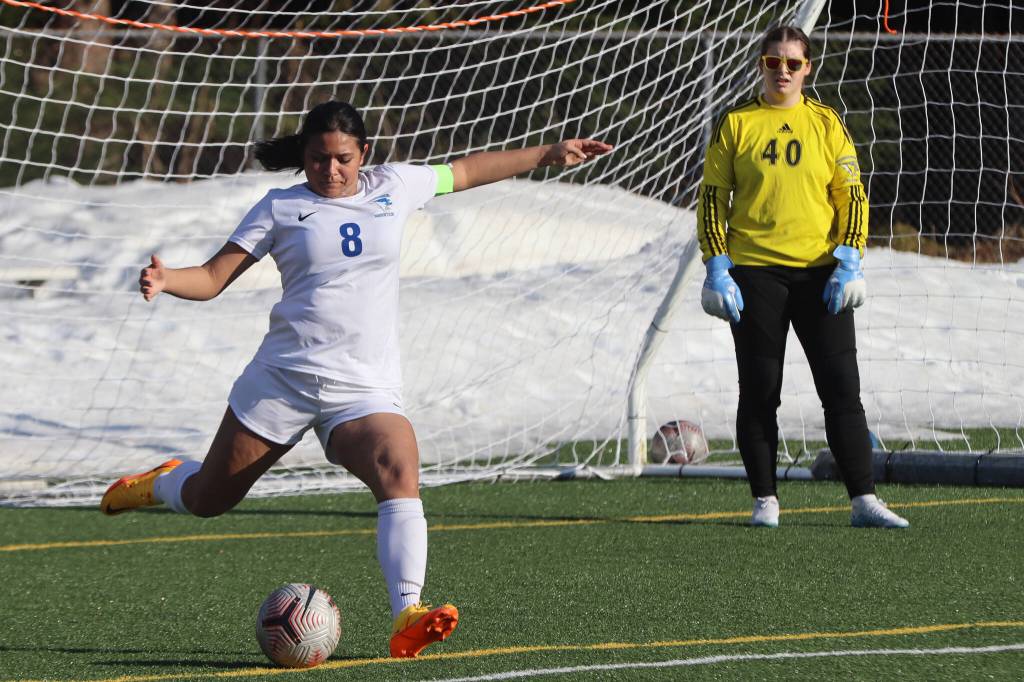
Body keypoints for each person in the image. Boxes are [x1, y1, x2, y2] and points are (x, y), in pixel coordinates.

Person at [100, 100, 613, 657]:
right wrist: (168, 278)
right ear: (304, 157)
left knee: (399, 467)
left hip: (363, 390)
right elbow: (213, 276)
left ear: (363, 153)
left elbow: (465, 171)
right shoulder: (279, 207)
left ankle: (407, 613)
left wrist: (547, 153)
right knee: (208, 499)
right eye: (318, 159)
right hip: (282, 382)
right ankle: (161, 481)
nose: (331, 170)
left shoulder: (397, 185)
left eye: (342, 158)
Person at [695, 26, 908, 530]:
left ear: (808, 67)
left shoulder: (827, 123)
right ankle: (765, 500)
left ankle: (864, 501)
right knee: (761, 389)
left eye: (792, 63)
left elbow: (850, 195)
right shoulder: (736, 124)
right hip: (754, 275)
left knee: (841, 389)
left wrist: (850, 258)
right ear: (760, 65)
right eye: (773, 62)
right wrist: (717, 266)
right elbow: (712, 199)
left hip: (821, 276)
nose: (782, 71)